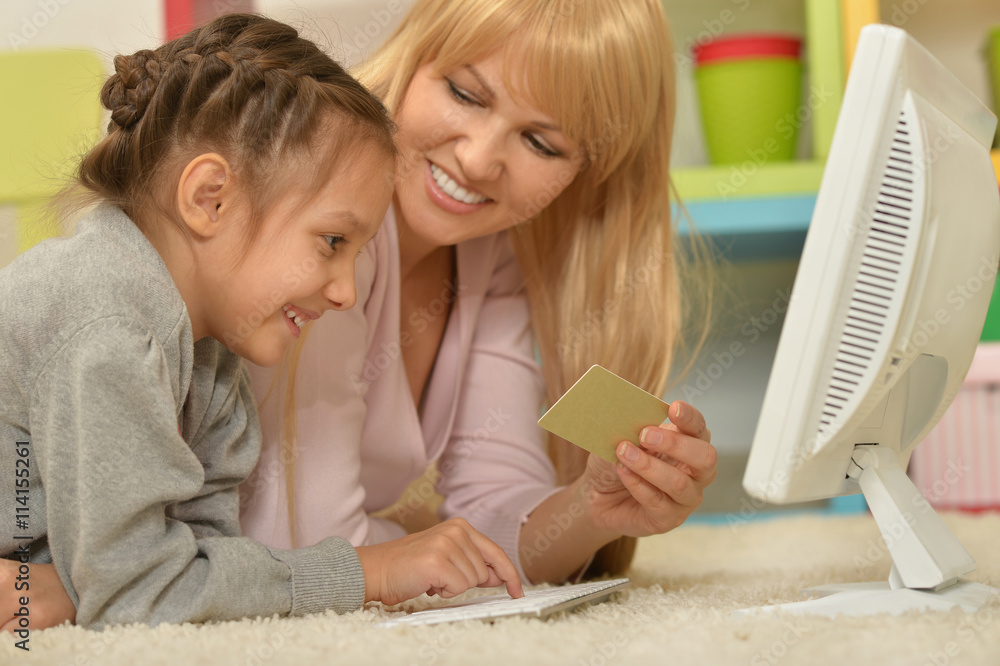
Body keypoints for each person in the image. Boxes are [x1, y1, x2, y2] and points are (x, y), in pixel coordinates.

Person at [0, 13, 522, 632]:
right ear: (210, 199)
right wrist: (369, 574)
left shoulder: (212, 362)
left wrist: (74, 583)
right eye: (332, 241)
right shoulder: (109, 327)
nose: (347, 293)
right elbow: (137, 594)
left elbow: (199, 568)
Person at [240, 0, 718, 589]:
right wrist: (421, 541)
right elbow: (303, 550)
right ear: (414, 56)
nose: (478, 159)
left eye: (542, 144)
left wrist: (591, 508)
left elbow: (496, 520)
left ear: (585, 174)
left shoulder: (490, 257)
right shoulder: (334, 230)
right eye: (465, 94)